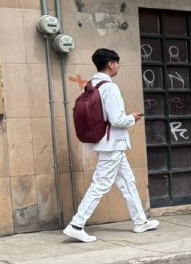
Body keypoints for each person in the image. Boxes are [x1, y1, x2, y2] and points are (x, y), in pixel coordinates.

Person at [63, 48, 159, 243]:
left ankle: (140, 221)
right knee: (101, 184)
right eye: (118, 62)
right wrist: (132, 118)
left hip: (105, 143)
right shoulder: (110, 87)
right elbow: (117, 120)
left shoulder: (92, 84)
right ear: (111, 64)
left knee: (127, 182)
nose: (119, 66)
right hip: (113, 144)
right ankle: (76, 224)